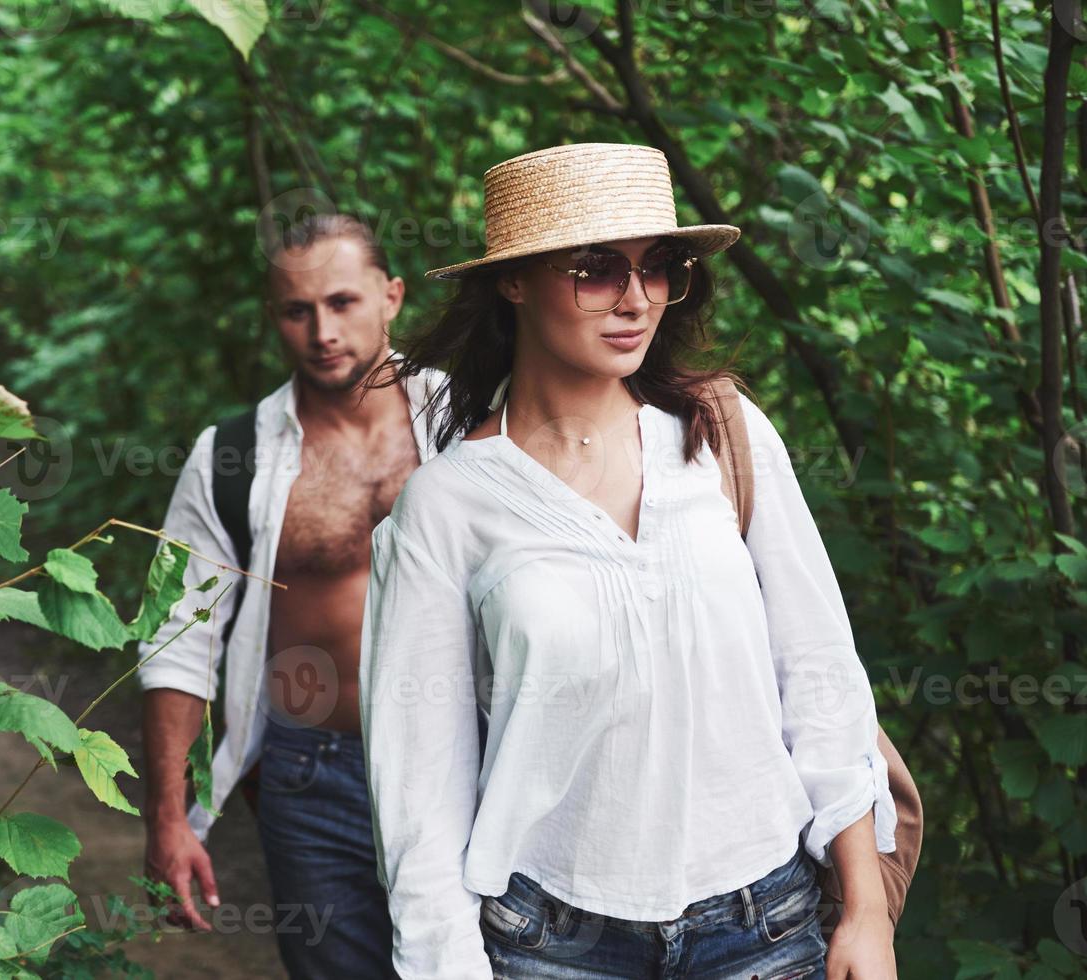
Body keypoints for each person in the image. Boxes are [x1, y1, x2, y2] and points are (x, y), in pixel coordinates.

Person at [357, 143, 900, 979]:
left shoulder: (721, 435)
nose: (636, 299)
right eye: (596, 270)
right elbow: (418, 792)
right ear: (514, 280)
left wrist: (865, 913)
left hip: (765, 924)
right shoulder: (447, 506)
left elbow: (819, 673)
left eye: (658, 269)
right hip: (552, 943)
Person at [137, 211, 445, 978]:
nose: (322, 331)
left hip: (462, 758)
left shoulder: (473, 422)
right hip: (312, 773)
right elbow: (178, 641)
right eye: (296, 310)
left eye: (342, 303)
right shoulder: (229, 456)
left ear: (391, 296)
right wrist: (168, 821)